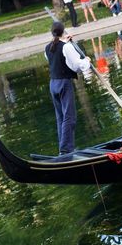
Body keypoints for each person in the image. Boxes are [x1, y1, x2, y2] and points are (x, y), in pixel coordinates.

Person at [45, 22, 91, 155]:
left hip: (53, 84)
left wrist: (66, 42)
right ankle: (66, 150)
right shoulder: (66, 47)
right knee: (69, 117)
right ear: (63, 31)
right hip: (64, 84)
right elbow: (77, 65)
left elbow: (56, 52)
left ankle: (63, 149)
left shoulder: (47, 48)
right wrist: (86, 60)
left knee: (61, 117)